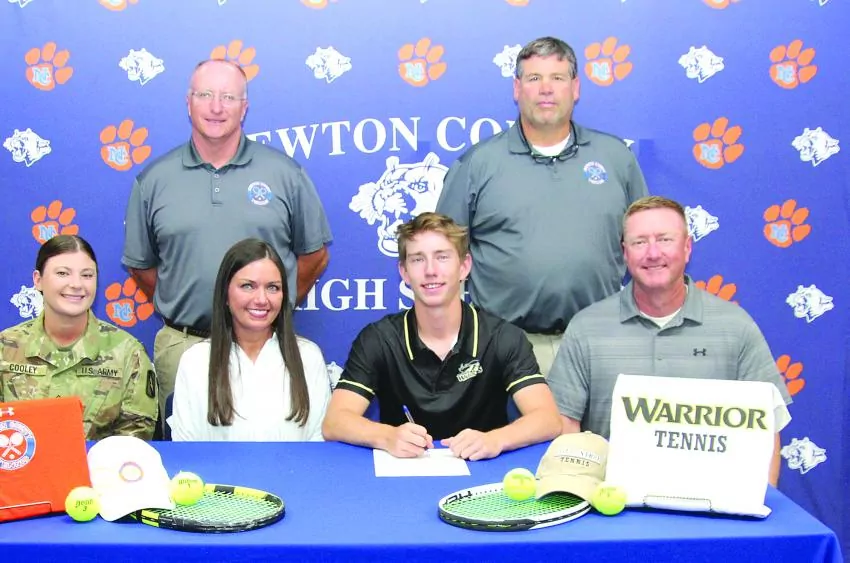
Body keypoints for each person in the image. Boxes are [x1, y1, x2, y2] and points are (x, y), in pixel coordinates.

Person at [122, 59, 332, 432]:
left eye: (228, 97)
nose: (216, 107)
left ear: (244, 107)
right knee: (187, 457)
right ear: (188, 102)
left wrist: (268, 305)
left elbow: (314, 256)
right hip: (185, 344)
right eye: (205, 95)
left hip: (267, 346)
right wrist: (187, 302)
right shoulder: (154, 180)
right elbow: (142, 266)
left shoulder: (285, 174)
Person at [436, 36, 649, 376]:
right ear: (516, 88)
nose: (546, 89)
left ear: (575, 88)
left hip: (599, 342)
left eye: (557, 77)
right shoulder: (477, 164)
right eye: (534, 78)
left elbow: (646, 247)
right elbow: (442, 257)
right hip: (504, 347)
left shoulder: (615, 159)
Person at [547, 196, 792, 486]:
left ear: (687, 247)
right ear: (625, 253)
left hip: (711, 496)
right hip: (611, 498)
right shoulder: (586, 327)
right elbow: (565, 424)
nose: (653, 253)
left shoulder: (736, 327)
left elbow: (766, 429)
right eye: (639, 242)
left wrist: (759, 501)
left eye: (665, 239)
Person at [322, 213, 561, 460]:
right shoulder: (379, 338)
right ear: (404, 272)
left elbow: (548, 419)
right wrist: (387, 436)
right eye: (418, 259)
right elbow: (335, 421)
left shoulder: (503, 337)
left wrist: (495, 439)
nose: (430, 270)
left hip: (483, 471)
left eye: (442, 257)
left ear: (464, 266)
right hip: (404, 471)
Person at [167, 238, 330, 441]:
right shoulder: (196, 361)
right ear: (225, 294)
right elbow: (186, 447)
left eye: (273, 288)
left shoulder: (308, 357)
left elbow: (319, 443)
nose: (261, 299)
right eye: (248, 286)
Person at [0, 235, 157, 440]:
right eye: (62, 273)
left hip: (100, 461)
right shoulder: (6, 347)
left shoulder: (128, 353)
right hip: (20, 458)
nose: (76, 284)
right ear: (38, 280)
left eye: (87, 275)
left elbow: (134, 438)